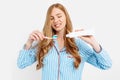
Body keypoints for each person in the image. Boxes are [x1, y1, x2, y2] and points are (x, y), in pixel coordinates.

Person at [17, 3, 112, 80]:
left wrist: (93, 43)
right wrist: (29, 42)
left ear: (66, 17)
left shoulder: (78, 45)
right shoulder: (44, 43)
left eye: (59, 16)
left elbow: (106, 65)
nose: (56, 20)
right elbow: (21, 64)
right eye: (52, 18)